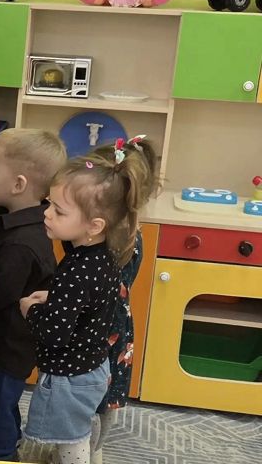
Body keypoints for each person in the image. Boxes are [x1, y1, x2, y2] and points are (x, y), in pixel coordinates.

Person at [18, 139, 153, 464]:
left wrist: (31, 310)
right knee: (77, 431)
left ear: (94, 225)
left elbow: (53, 333)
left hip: (69, 377)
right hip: (93, 366)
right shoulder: (106, 253)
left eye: (58, 210)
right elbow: (93, 303)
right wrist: (56, 299)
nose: (46, 213)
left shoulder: (76, 270)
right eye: (49, 204)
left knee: (69, 440)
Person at [0, 128, 67, 462]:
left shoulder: (21, 244)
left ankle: (1, 456)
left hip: (7, 352)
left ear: (18, 184)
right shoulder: (9, 218)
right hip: (5, 346)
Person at [88, 136, 158, 464]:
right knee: (105, 399)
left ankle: (88, 451)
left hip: (101, 331)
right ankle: (94, 449)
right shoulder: (131, 230)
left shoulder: (101, 241)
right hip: (118, 329)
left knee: (91, 396)